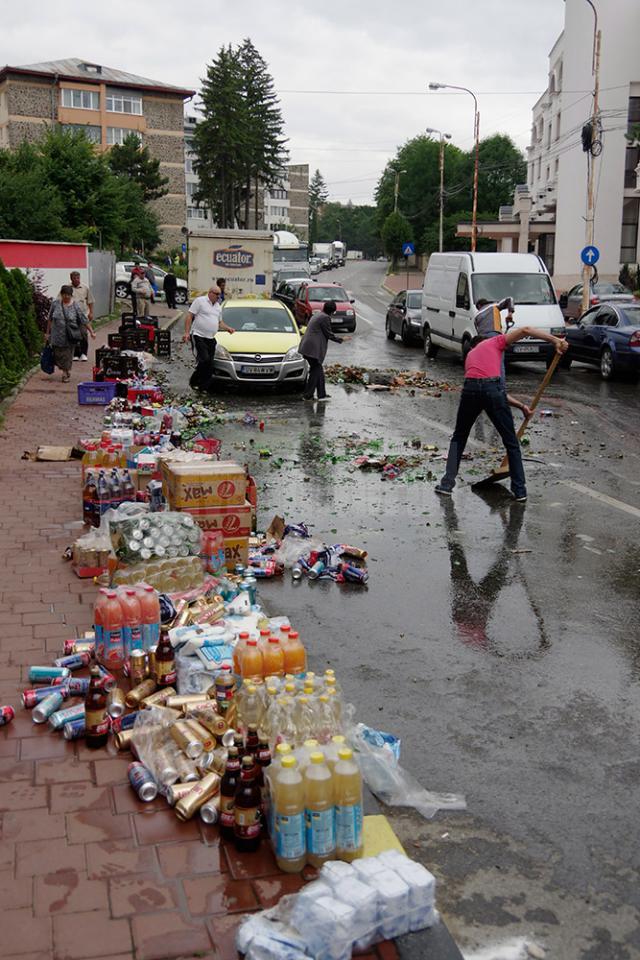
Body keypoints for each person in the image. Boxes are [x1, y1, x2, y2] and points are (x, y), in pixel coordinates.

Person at [435, 324, 569, 502]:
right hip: (492, 389)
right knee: (511, 442)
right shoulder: (493, 342)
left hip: (470, 389)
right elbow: (525, 330)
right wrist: (555, 340)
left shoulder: (470, 356)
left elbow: (487, 387)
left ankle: (446, 484)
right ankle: (520, 491)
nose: (504, 349)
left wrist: (522, 407)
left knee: (459, 437)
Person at [182, 285, 236, 390]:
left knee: (210, 363)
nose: (218, 296)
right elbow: (189, 316)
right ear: (210, 293)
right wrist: (187, 333)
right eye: (216, 294)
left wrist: (228, 328)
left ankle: (203, 386)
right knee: (204, 359)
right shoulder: (200, 301)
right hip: (198, 335)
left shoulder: (218, 307)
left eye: (219, 295)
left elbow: (219, 322)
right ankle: (194, 380)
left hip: (211, 338)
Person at [45, 285, 95, 383]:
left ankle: (65, 372)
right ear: (61, 294)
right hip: (56, 335)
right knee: (58, 354)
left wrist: (91, 332)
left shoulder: (75, 305)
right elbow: (50, 319)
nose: (66, 297)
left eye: (68, 295)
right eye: (64, 295)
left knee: (67, 354)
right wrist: (47, 333)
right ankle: (64, 369)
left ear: (71, 295)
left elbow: (84, 320)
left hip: (70, 335)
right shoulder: (55, 304)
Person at [298, 300, 347, 401]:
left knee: (318, 370)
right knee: (315, 371)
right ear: (332, 311)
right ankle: (307, 395)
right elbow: (328, 333)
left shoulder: (318, 315)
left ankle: (321, 394)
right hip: (312, 349)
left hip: (307, 347)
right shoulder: (325, 318)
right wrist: (341, 339)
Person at [69, 271, 94, 362]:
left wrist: (91, 312)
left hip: (83, 315)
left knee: (83, 334)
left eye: (78, 278)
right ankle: (75, 354)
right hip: (71, 315)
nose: (76, 280)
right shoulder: (68, 288)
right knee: (74, 335)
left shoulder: (85, 288)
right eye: (74, 278)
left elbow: (90, 301)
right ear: (71, 279)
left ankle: (84, 353)